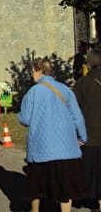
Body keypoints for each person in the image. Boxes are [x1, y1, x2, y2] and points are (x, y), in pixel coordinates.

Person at [18, 58, 88, 212]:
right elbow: (77, 116)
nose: (31, 74)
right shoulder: (65, 89)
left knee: (36, 185)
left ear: (38, 71)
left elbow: (25, 119)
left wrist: (19, 115)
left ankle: (35, 210)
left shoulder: (33, 92)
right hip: (66, 145)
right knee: (65, 185)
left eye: (32, 71)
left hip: (41, 146)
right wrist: (82, 137)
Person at [73, 49, 101, 211]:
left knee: (90, 168)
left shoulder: (83, 83)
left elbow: (74, 108)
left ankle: (92, 200)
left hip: (89, 133)